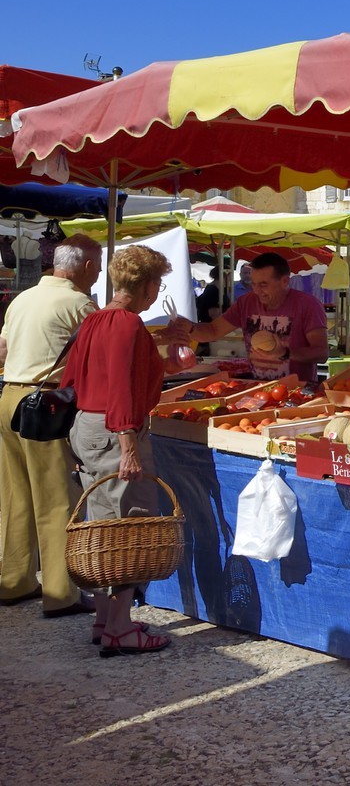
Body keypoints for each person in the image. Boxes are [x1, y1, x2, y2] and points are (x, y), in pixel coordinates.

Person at [62, 244, 186, 656]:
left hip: (86, 425)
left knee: (102, 528)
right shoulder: (128, 326)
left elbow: (73, 376)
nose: (157, 292)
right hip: (116, 430)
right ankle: (120, 627)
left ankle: (104, 618)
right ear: (148, 286)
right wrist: (129, 443)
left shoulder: (97, 318)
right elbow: (120, 386)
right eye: (158, 284)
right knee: (129, 528)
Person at [0, 235, 101, 616]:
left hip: (10, 393)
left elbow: (3, 351)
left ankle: (14, 580)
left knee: (15, 494)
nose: (100, 270)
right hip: (47, 404)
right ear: (87, 267)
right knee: (56, 497)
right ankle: (60, 592)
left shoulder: (22, 298)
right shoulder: (79, 303)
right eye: (98, 263)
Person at [178, 252, 328, 381]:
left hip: (297, 390)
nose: (257, 291)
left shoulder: (308, 305)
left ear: (284, 281)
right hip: (257, 387)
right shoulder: (246, 302)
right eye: (254, 284)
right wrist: (190, 328)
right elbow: (213, 331)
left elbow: (321, 353)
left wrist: (285, 353)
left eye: (263, 285)